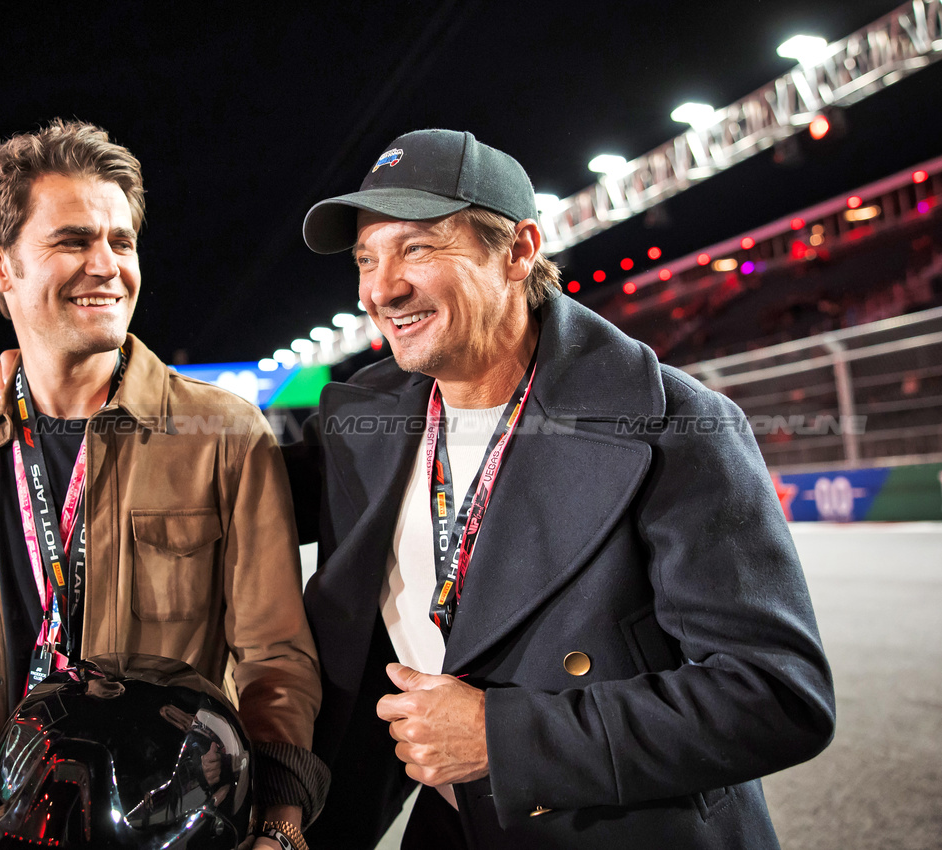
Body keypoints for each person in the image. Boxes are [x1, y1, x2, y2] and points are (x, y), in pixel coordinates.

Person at [288, 129, 836, 848]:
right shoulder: (364, 415)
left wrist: (505, 738)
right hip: (457, 822)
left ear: (516, 251)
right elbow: (199, 492)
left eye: (417, 247)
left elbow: (776, 696)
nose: (381, 287)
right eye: (366, 258)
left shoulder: (678, 423)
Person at [0, 119, 325, 850]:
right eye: (72, 241)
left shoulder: (223, 433)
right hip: (4, 825)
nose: (107, 264)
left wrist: (277, 821)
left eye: (121, 241)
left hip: (172, 831)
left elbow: (275, 657)